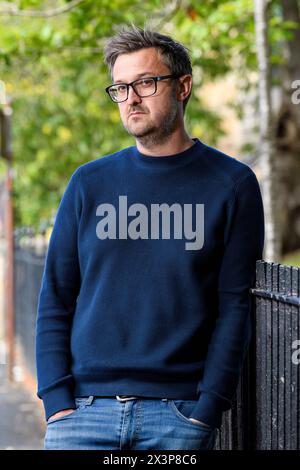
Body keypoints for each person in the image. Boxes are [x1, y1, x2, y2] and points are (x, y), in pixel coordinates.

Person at [35, 24, 265, 451]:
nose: (131, 99)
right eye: (120, 88)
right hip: (83, 414)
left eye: (145, 82)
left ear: (183, 86)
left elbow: (234, 305)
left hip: (176, 416)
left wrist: (207, 408)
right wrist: (56, 400)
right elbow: (56, 296)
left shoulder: (232, 183)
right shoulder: (89, 183)